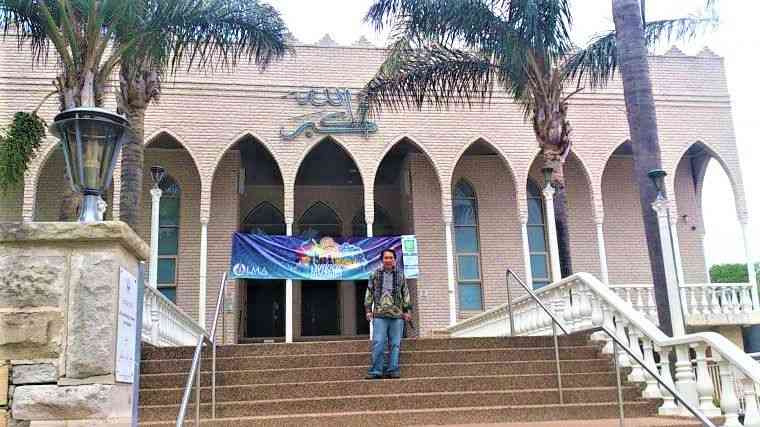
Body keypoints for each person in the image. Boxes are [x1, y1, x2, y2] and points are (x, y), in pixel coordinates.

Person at [364, 248, 412, 379]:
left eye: (391, 257)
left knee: (395, 344)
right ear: (382, 260)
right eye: (386, 258)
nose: (388, 260)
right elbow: (369, 292)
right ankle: (376, 371)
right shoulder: (374, 274)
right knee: (378, 342)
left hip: (397, 316)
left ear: (394, 260)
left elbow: (405, 293)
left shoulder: (401, 275)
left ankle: (393, 370)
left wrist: (407, 311)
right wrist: (368, 310)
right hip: (379, 315)